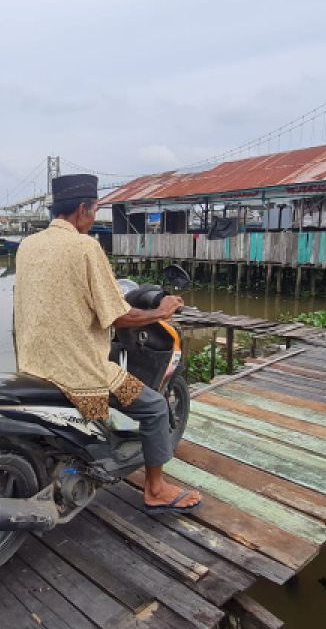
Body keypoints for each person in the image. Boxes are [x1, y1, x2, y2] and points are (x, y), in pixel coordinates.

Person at [13, 173, 202, 514]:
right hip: (76, 370)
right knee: (156, 408)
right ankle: (155, 489)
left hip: (32, 363)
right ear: (83, 209)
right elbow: (118, 316)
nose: (95, 216)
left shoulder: (28, 244)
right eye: (96, 209)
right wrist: (160, 311)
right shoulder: (85, 246)